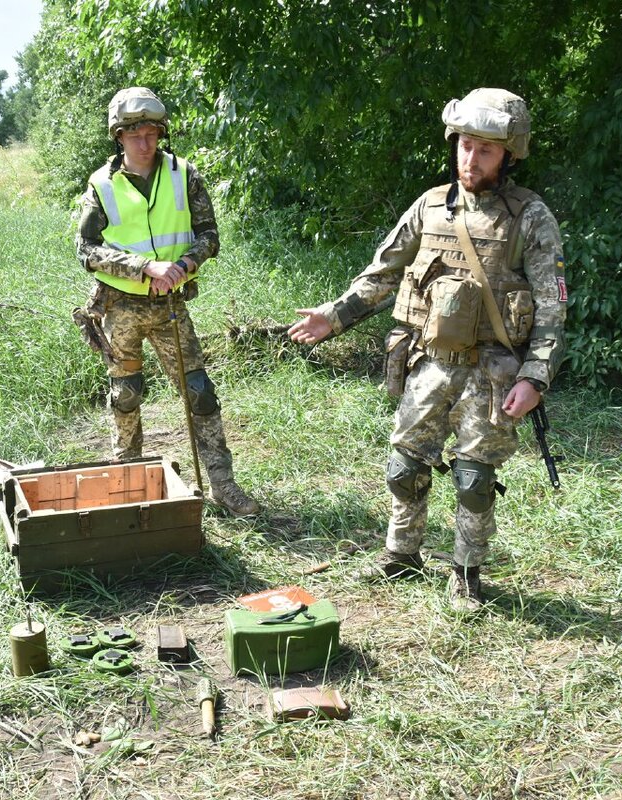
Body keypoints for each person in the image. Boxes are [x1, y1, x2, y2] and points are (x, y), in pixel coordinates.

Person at [288, 88, 566, 611]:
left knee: (474, 480)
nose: (471, 158)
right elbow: (383, 272)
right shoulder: (430, 206)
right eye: (465, 145)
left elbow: (552, 307)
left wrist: (535, 377)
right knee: (404, 466)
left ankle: (466, 571)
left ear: (509, 153)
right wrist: (336, 314)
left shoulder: (530, 217)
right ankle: (401, 553)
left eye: (485, 149)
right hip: (431, 363)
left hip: (492, 372)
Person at [75, 87, 259, 516]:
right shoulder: (102, 184)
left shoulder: (184, 174)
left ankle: (223, 486)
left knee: (200, 394)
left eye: (152, 132)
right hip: (119, 306)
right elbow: (86, 249)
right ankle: (129, 483)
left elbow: (209, 235)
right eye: (134, 133)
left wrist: (181, 265)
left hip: (171, 305)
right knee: (126, 394)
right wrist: (142, 267)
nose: (145, 142)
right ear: (118, 136)